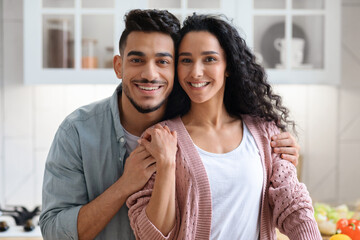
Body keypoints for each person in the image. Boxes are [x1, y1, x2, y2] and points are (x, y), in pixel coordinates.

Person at [39, 9, 300, 240]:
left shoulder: (199, 130)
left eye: (163, 61)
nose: (150, 74)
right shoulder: (77, 131)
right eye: (136, 59)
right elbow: (54, 231)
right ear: (119, 66)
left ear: (175, 69)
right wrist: (125, 185)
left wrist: (275, 154)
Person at [126, 14, 321, 240]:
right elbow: (151, 235)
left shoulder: (265, 133)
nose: (196, 72)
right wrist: (167, 163)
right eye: (186, 60)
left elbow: (293, 205)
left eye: (209, 59)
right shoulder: (161, 138)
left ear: (228, 65)